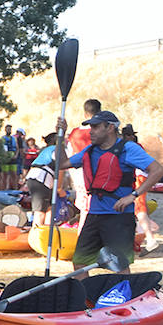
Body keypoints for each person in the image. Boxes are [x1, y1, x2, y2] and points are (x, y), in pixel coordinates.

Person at [54, 110, 163, 274]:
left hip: (119, 217)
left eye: (96, 127)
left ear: (110, 128)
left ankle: (123, 291)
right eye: (91, 127)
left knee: (119, 265)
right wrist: (60, 137)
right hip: (94, 214)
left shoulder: (128, 149)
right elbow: (61, 163)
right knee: (79, 262)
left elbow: (158, 170)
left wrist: (133, 195)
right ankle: (86, 291)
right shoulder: (90, 151)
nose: (91, 131)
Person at [67, 98, 101, 228]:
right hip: (96, 174)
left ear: (85, 114)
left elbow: (70, 155)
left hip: (79, 175)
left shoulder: (74, 133)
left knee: (85, 209)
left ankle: (83, 233)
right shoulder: (101, 131)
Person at [0, 124, 18, 189]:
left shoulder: (14, 138)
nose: (9, 130)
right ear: (5, 130)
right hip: (5, 159)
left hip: (13, 158)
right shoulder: (2, 139)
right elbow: (0, 148)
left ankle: (15, 188)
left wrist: (16, 155)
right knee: (5, 175)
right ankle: (4, 188)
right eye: (8, 129)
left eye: (10, 129)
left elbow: (17, 148)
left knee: (14, 174)